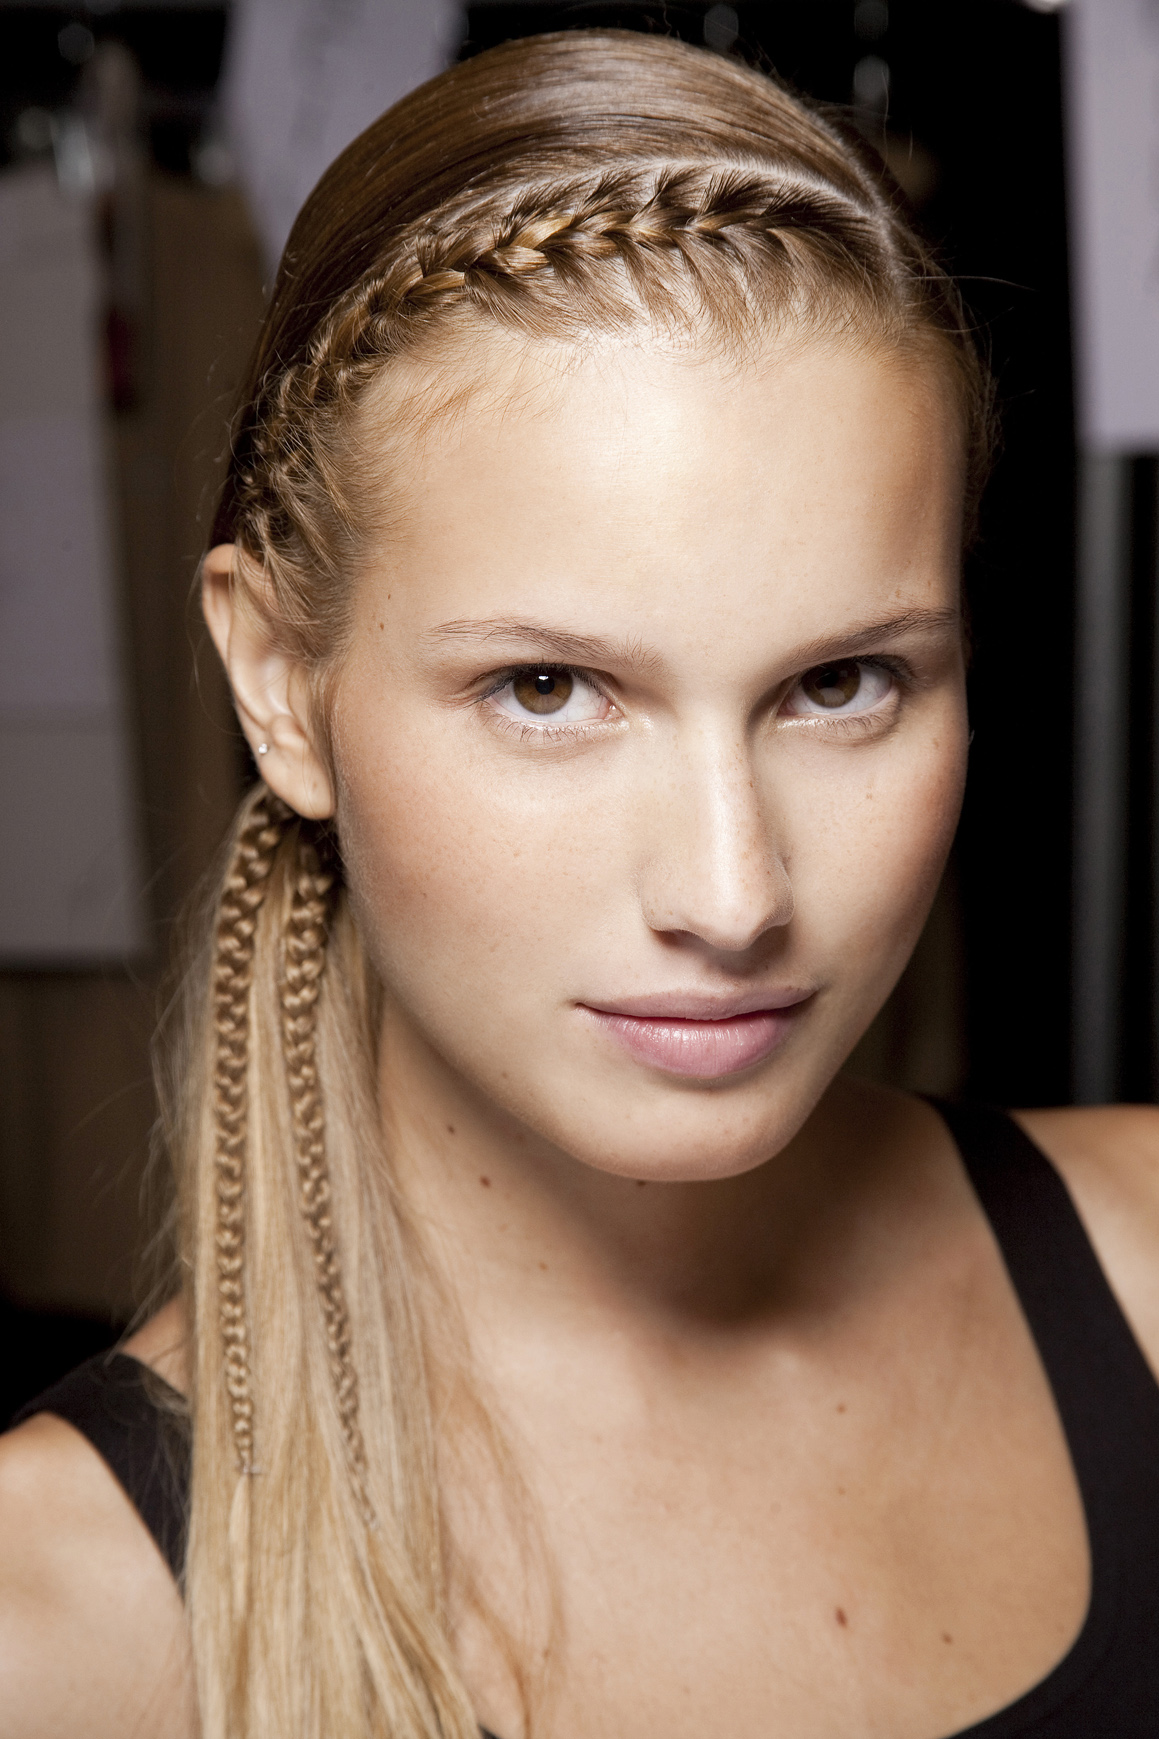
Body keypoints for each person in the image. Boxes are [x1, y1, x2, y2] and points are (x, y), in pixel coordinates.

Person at [1, 27, 1157, 1739]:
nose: (732, 889)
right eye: (549, 691)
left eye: (842, 683)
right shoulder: (56, 1630)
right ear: (276, 684)